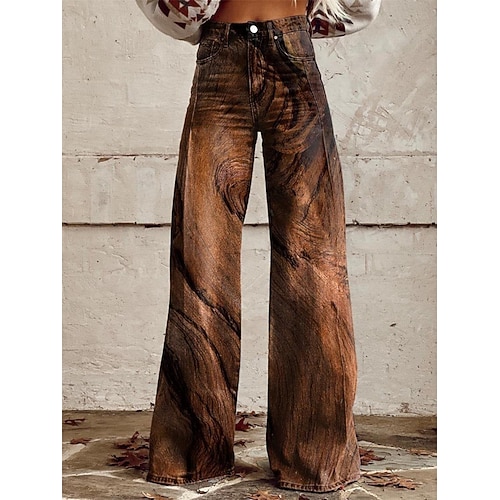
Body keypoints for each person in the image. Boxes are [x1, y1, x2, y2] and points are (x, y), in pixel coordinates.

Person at [135, 0, 381, 493]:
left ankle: (317, 456)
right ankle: (192, 454)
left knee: (315, 265)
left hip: (293, 57)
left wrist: (305, 21)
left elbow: (362, 6)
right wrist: (196, 15)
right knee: (200, 261)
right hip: (219, 60)